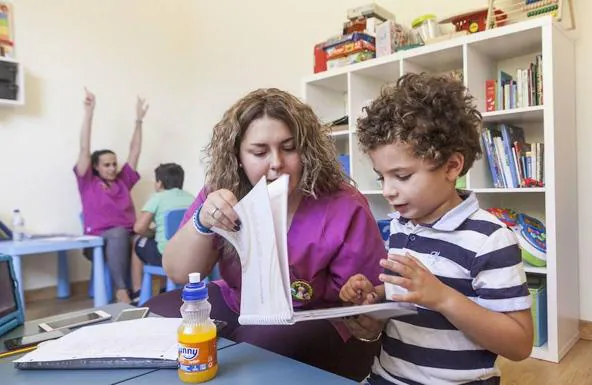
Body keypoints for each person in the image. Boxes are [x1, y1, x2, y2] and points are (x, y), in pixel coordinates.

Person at [144, 88, 386, 380]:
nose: (276, 163)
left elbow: (366, 300)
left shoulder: (343, 204)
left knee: (255, 353)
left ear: (306, 149)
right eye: (259, 152)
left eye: (289, 147)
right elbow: (180, 272)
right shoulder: (222, 191)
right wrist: (202, 221)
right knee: (152, 317)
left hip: (314, 315)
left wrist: (361, 302)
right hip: (238, 300)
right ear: (238, 156)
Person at [339, 73, 534, 385]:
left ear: (452, 166)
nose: (388, 190)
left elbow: (520, 343)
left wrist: (442, 298)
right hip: (388, 377)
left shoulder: (490, 239)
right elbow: (405, 300)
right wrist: (372, 301)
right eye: (381, 177)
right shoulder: (402, 227)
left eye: (401, 176)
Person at [74, 88, 149, 304]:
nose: (112, 167)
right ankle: (121, 290)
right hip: (98, 239)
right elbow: (84, 148)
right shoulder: (87, 181)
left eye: (114, 163)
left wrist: (138, 120)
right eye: (107, 164)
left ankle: (139, 291)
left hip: (126, 236)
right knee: (118, 234)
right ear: (96, 167)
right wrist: (89, 112)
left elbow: (135, 151)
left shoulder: (122, 180)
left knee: (145, 237)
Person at [130, 163, 194, 300]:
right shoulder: (191, 198)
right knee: (154, 243)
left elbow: (139, 228)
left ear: (159, 183)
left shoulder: (158, 198)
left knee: (138, 241)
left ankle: (137, 290)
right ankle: (162, 287)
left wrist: (151, 233)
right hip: (189, 254)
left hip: (165, 256)